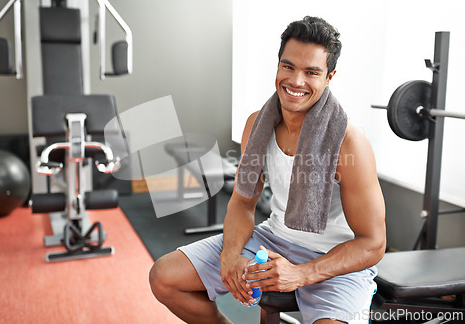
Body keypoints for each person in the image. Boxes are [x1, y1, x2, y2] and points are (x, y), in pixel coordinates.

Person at [149, 16, 386, 324]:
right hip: (273, 238)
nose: (296, 81)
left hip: (336, 259)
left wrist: (300, 274)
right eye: (288, 66)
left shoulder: (349, 141)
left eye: (311, 72)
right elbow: (243, 201)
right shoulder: (257, 125)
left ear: (329, 77)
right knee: (164, 277)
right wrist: (231, 255)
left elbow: (373, 242)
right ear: (278, 67)